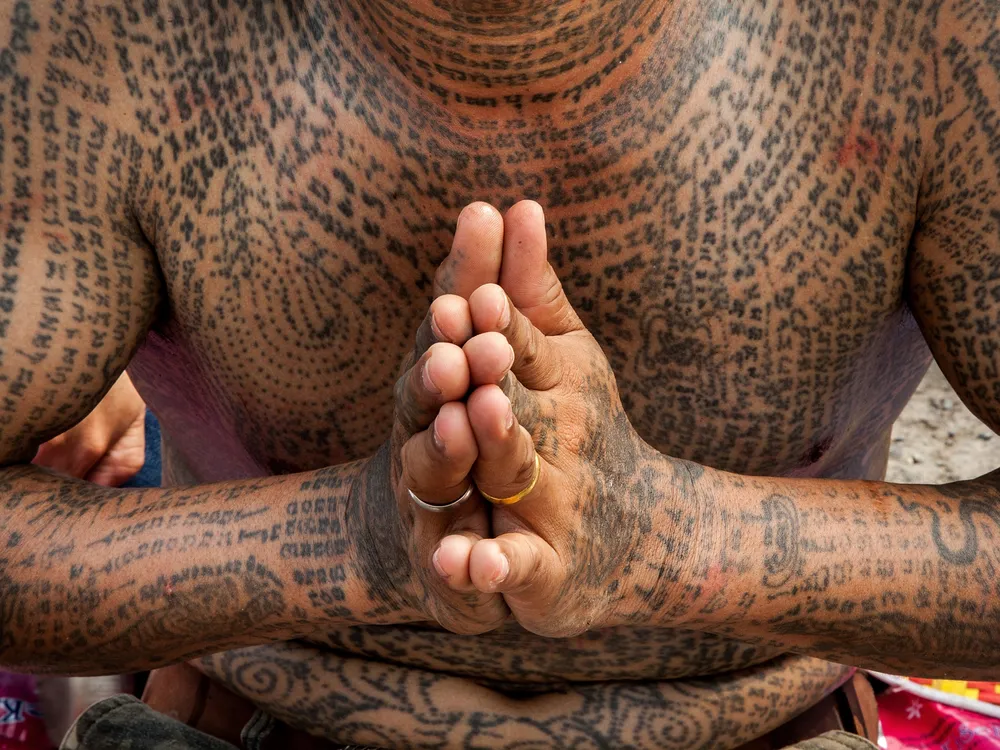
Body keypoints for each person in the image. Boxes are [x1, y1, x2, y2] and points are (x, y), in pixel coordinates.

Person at [0, 0, 998, 747]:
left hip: (755, 726)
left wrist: (673, 539)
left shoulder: (917, 29)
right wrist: (346, 543)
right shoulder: (112, 30)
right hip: (262, 713)